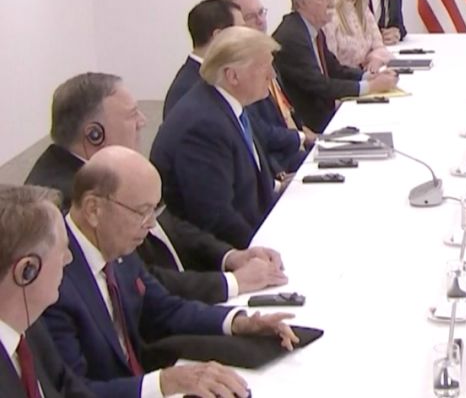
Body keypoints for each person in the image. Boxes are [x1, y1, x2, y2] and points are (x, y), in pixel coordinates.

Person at [44, 148, 298, 398]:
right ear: (93, 209)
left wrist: (239, 322)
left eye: (153, 211)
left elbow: (164, 309)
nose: (151, 224)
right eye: (142, 211)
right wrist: (163, 383)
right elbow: (73, 392)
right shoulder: (52, 281)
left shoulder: (115, 244)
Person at [25, 73, 285, 304]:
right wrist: (233, 282)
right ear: (94, 134)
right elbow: (141, 280)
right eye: (131, 114)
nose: (143, 121)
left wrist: (230, 256)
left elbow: (166, 225)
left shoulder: (106, 171)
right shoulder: (72, 200)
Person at [152, 28, 280, 248]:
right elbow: (216, 217)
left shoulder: (225, 104)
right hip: (222, 253)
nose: (272, 75)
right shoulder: (204, 126)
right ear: (232, 76)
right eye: (264, 67)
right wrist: (267, 247)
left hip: (254, 227)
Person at [272, 0, 398, 132]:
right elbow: (319, 85)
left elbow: (334, 69)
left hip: (325, 113)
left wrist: (368, 76)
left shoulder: (313, 29)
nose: (332, 4)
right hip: (311, 124)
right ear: (302, 3)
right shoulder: (293, 36)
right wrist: (370, 86)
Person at [0, 184, 93, 398]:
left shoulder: (31, 327)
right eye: (62, 250)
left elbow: (71, 391)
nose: (69, 259)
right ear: (27, 271)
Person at [220, 0, 316, 173]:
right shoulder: (240, 73)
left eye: (261, 12)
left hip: (296, 147)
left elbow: (285, 110)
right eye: (250, 17)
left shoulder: (267, 54)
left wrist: (304, 133)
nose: (260, 21)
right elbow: (260, 134)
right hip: (280, 162)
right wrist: (300, 137)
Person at [163, 0, 238, 119]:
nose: (247, 37)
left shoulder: (212, 76)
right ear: (219, 36)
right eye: (241, 31)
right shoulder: (187, 88)